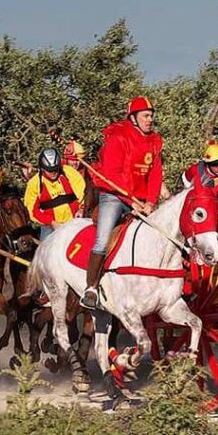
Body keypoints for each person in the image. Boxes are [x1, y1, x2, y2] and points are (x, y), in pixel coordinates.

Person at [80, 96, 164, 309]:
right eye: (146, 115)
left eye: (151, 115)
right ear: (133, 118)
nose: (150, 120)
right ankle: (91, 287)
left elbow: (155, 175)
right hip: (115, 197)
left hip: (142, 200)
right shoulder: (117, 137)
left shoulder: (154, 141)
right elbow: (113, 175)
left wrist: (151, 202)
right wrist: (130, 201)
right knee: (103, 238)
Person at [22, 148, 86, 240]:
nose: (53, 173)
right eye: (50, 170)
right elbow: (33, 211)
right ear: (43, 168)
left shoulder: (69, 173)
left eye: (55, 170)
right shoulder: (34, 183)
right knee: (45, 249)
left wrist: (81, 209)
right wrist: (51, 222)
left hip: (74, 221)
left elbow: (83, 194)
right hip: (50, 226)